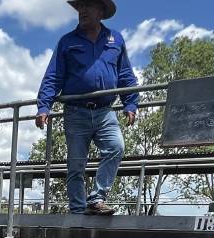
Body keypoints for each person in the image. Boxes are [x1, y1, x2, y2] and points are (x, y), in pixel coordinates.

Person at [35, 0, 138, 216]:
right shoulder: (67, 41)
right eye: (80, 6)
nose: (82, 10)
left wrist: (130, 102)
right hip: (76, 111)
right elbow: (53, 76)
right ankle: (77, 211)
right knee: (75, 165)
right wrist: (44, 106)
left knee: (116, 147)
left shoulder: (115, 39)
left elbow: (125, 74)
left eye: (88, 5)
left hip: (105, 110)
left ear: (101, 11)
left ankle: (97, 198)